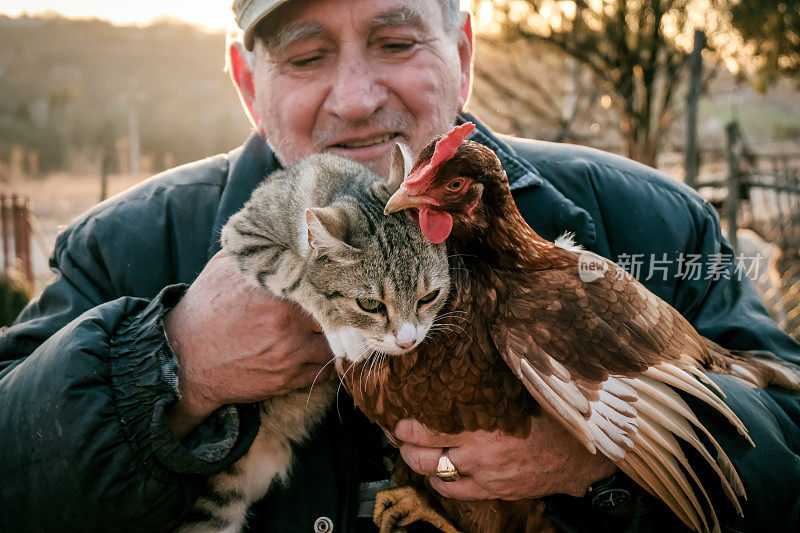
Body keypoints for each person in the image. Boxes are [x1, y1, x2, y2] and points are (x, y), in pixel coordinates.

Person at [1, 0, 798, 531]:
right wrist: (174, 360)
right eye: (307, 55)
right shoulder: (124, 248)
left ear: (462, 53)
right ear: (251, 86)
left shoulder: (647, 221)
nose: (355, 96)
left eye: (396, 41)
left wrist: (602, 457)